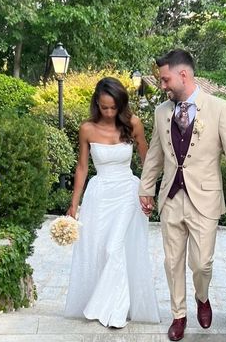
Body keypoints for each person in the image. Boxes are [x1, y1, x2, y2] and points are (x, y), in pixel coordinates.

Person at [139, 49, 226, 341]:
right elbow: (154, 154)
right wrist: (146, 188)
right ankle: (179, 315)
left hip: (205, 199)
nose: (162, 85)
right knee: (172, 261)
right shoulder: (162, 111)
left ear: (183, 75)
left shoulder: (220, 109)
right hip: (171, 198)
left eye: (165, 80)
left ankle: (202, 297)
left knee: (202, 263)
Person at [64, 77, 160, 328]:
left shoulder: (134, 124)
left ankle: (116, 311)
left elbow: (147, 162)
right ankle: (111, 302)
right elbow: (82, 168)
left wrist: (148, 193)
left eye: (113, 107)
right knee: (98, 249)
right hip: (99, 195)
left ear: (121, 104)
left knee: (114, 248)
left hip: (127, 193)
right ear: (97, 103)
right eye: (104, 107)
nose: (108, 112)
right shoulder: (87, 128)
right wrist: (74, 204)